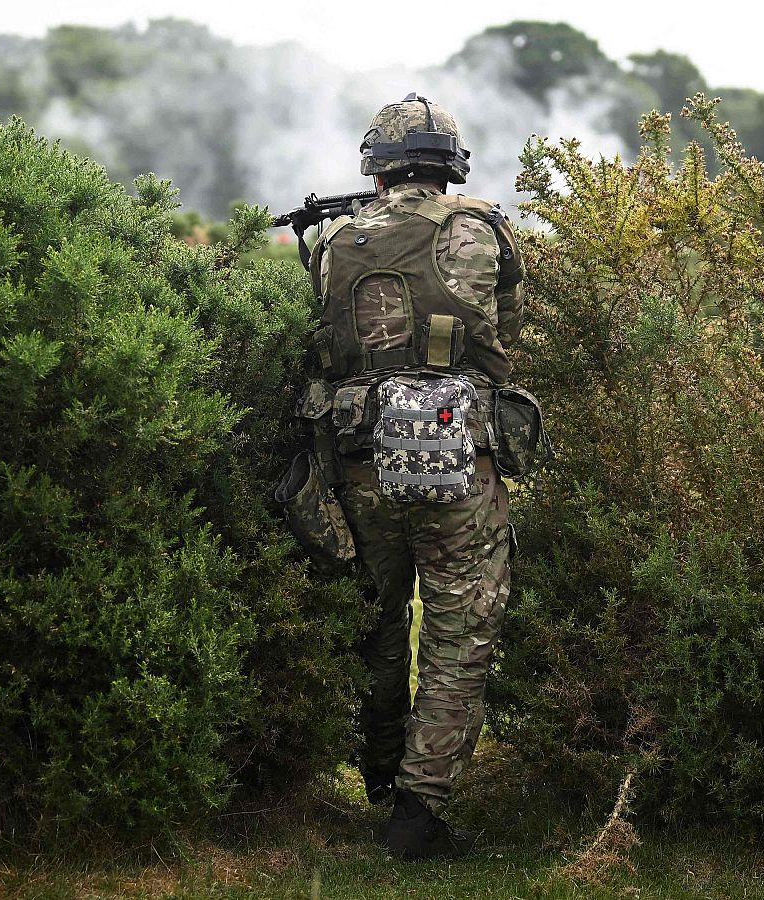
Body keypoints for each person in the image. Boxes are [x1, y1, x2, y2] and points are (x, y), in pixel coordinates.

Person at [302, 93, 525, 861]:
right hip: (460, 461)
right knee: (461, 630)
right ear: (450, 160)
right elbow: (501, 341)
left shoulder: (332, 240)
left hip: (359, 461)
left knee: (376, 618)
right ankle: (418, 807)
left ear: (378, 164)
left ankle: (375, 770)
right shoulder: (483, 229)